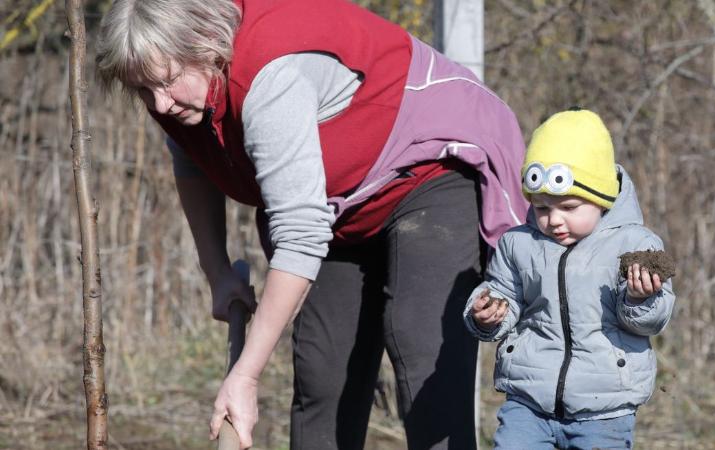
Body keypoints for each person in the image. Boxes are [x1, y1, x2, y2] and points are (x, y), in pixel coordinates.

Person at [96, 0, 528, 448]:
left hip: (427, 172)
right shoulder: (170, 84)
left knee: (419, 346)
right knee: (324, 371)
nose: (160, 104)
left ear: (207, 44)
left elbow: (300, 234)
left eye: (166, 82)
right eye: (144, 90)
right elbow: (192, 162)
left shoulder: (270, 75)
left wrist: (244, 375)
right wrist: (217, 272)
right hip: (339, 204)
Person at [464, 108, 676, 449]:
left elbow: (649, 322)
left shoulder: (635, 245)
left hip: (604, 407)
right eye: (543, 208)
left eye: (570, 207)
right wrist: (489, 314)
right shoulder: (518, 243)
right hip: (528, 399)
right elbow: (503, 292)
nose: (554, 220)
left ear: (602, 198)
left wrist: (640, 299)